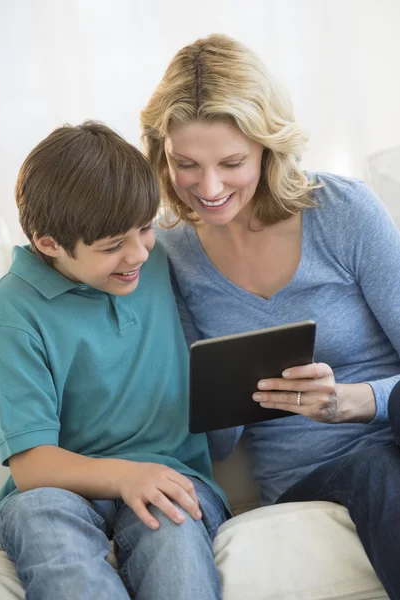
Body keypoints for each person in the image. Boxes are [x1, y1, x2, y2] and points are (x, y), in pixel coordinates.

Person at [140, 33, 400, 599]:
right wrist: (220, 391)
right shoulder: (170, 253)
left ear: (268, 148)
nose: (208, 189)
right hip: (317, 476)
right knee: (379, 473)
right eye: (186, 164)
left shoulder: (343, 214)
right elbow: (212, 445)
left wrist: (356, 401)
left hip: (392, 425)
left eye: (231, 163)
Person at [0, 121, 229, 600]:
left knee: (173, 531)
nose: (137, 253)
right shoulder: (12, 311)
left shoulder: (154, 260)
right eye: (113, 246)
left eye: (145, 229)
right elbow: (30, 466)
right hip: (54, 492)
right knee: (42, 524)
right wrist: (124, 475)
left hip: (169, 474)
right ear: (48, 244)